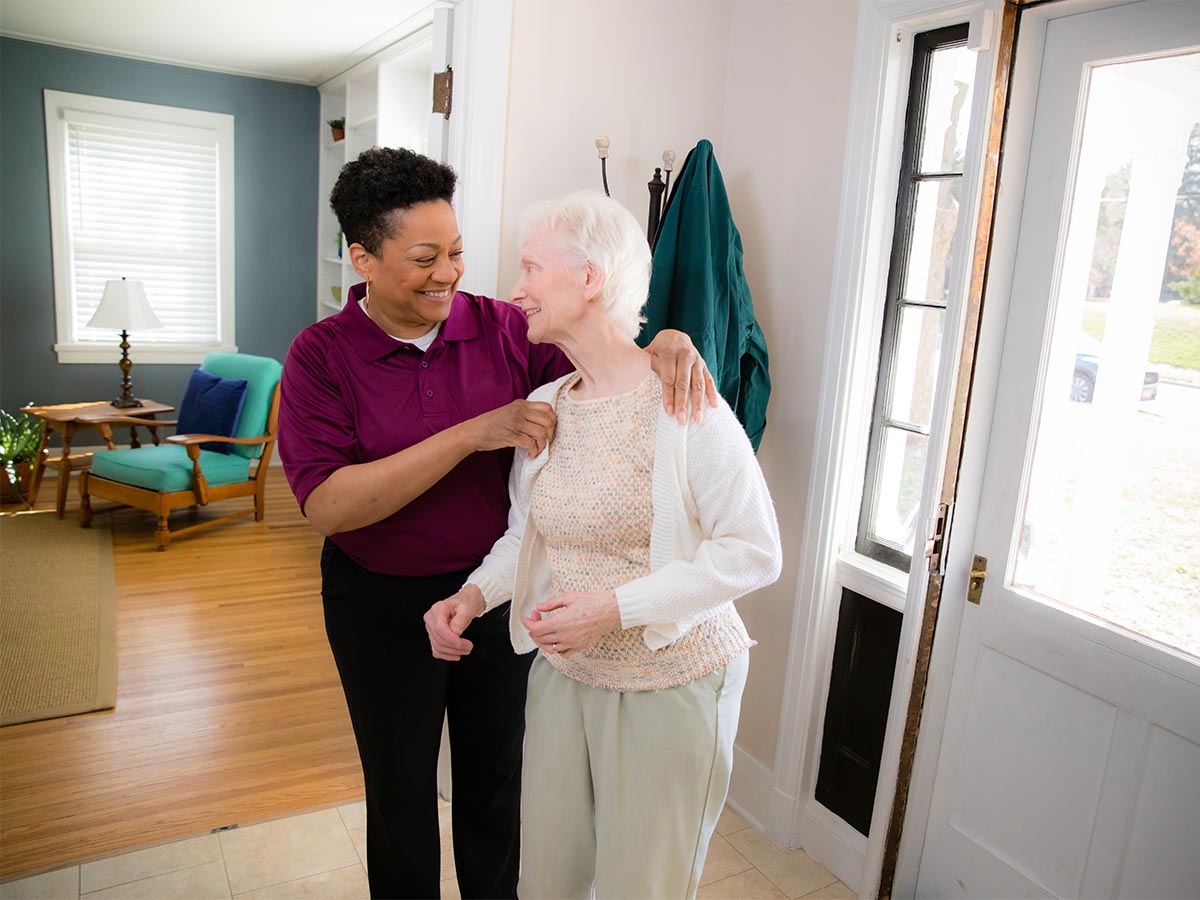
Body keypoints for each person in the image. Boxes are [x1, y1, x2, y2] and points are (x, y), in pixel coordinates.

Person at [276, 148, 717, 900]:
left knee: (495, 786)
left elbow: (601, 361)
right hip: (378, 604)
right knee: (400, 793)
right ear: (363, 258)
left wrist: (664, 343)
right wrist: (471, 434)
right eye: (424, 259)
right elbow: (329, 504)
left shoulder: (505, 329)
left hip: (499, 592)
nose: (448, 274)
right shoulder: (320, 355)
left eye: (455, 252)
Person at [425, 191, 782, 899]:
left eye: (531, 269)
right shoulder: (548, 405)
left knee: (640, 885)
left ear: (589, 278)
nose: (517, 289)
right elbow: (529, 533)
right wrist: (472, 596)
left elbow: (753, 551)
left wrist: (615, 608)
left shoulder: (686, 402)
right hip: (566, 675)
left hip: (674, 681)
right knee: (549, 878)